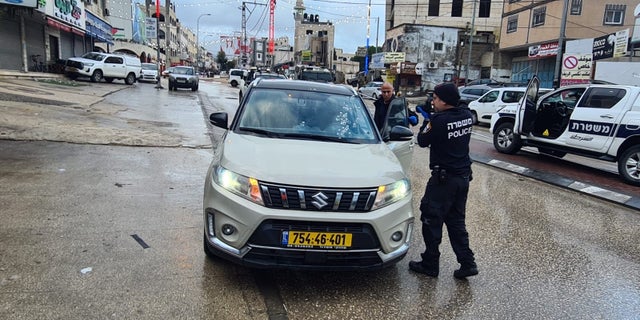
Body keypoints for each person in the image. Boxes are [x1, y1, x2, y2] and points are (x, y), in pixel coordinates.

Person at [409, 82, 478, 279]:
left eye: (436, 98)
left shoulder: (439, 120)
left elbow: (422, 140)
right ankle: (467, 263)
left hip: (443, 180)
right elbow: (460, 106)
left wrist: (427, 119)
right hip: (462, 178)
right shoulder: (466, 115)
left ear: (445, 101)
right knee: (456, 221)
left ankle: (430, 263)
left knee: (431, 218)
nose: (433, 101)